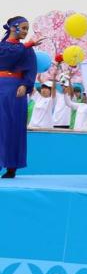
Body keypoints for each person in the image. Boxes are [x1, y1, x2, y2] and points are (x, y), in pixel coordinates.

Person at [0, 18, 36, 177]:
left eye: (27, 28)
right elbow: (7, 56)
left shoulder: (27, 50)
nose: (26, 31)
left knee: (12, 126)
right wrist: (26, 45)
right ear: (13, 28)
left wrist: (26, 84)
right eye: (23, 28)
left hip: (15, 89)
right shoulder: (3, 47)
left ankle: (11, 165)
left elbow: (31, 69)